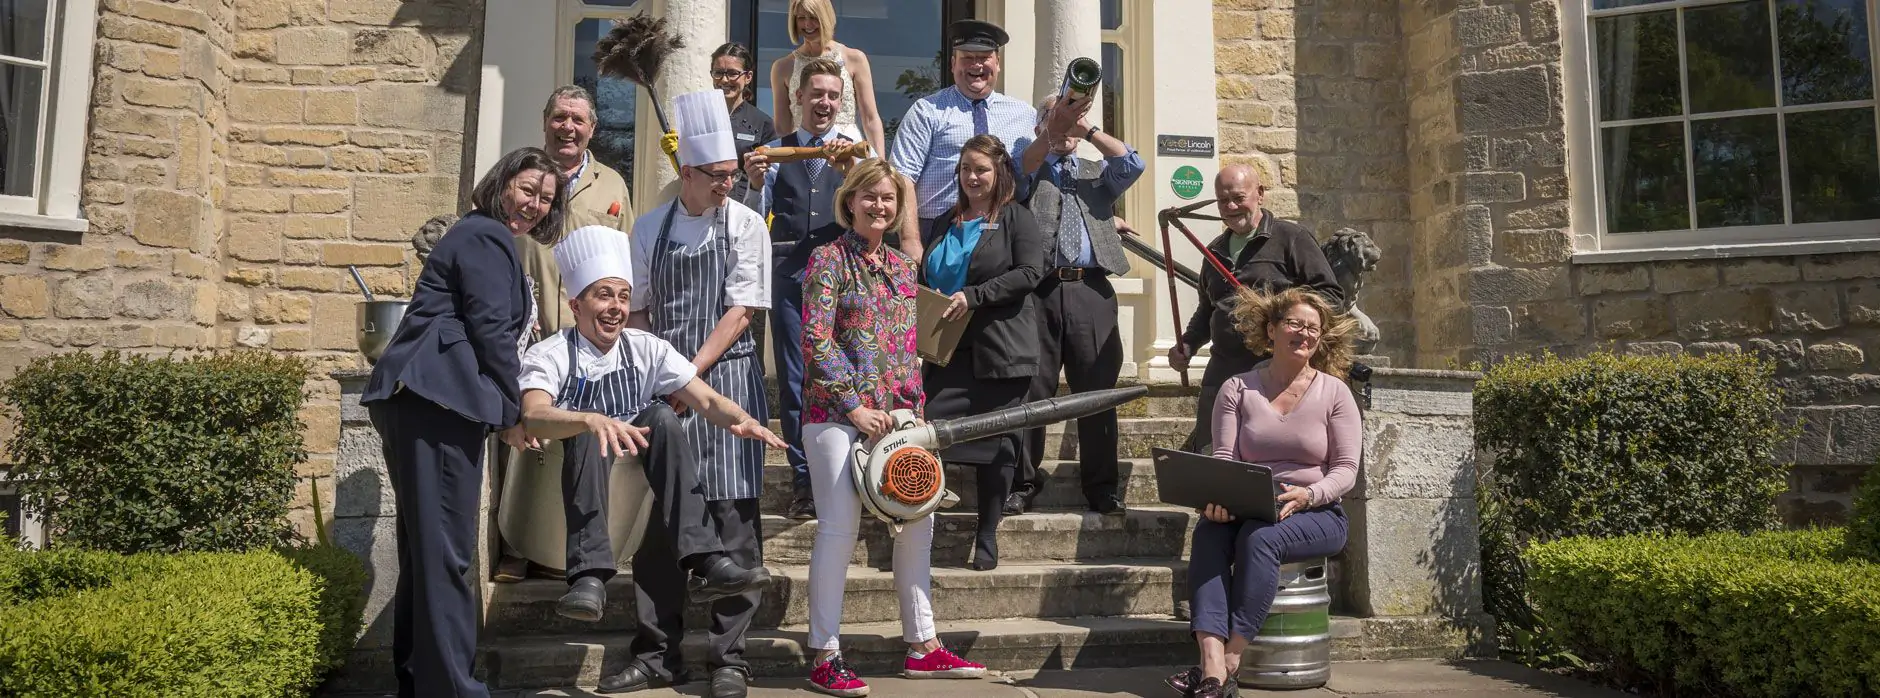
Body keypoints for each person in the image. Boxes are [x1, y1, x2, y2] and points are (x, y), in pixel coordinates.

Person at [517, 225, 781, 698]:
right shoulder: (550, 353)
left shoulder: (647, 349)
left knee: (662, 413)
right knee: (585, 428)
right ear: (576, 305)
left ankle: (706, 558)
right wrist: (589, 419)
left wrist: (741, 421)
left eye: (623, 296)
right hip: (558, 498)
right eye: (603, 296)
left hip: (632, 489)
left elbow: (704, 398)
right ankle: (589, 578)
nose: (617, 307)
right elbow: (535, 414)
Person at [360, 147, 565, 698]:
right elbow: (492, 332)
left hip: (424, 402)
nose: (536, 205)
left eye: (546, 198)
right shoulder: (485, 236)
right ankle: (452, 687)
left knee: (428, 549)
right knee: (447, 551)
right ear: (500, 184)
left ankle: (423, 680)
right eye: (527, 190)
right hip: (438, 401)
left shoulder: (487, 237)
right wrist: (516, 410)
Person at [800, 159, 987, 696]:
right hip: (836, 416)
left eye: (888, 199)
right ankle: (825, 653)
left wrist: (915, 417)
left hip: (903, 418)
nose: (879, 206)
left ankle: (923, 646)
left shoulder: (906, 271)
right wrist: (855, 406)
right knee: (839, 530)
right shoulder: (828, 261)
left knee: (919, 525)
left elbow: (910, 352)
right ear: (850, 201)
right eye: (870, 197)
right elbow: (816, 340)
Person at [621, 89, 773, 695]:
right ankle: (656, 656)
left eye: (733, 173)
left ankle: (729, 659)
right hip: (662, 389)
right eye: (717, 176)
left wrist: (691, 376)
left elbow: (741, 313)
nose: (728, 185)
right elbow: (636, 310)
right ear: (686, 172)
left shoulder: (744, 225)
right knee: (661, 528)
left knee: (733, 523)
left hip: (729, 379)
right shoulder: (650, 226)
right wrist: (663, 379)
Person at [1165, 286, 1360, 698]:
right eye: (1294, 324)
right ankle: (1213, 664)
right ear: (1270, 331)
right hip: (1251, 504)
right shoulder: (1237, 389)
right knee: (1209, 533)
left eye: (1312, 328)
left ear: (1320, 338)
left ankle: (1229, 660)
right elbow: (1224, 458)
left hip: (1317, 512)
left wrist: (1309, 495)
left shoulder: (1335, 393)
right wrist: (1218, 500)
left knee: (1260, 539)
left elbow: (1346, 470)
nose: (1303, 334)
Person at [497, 85, 641, 584]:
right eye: (560, 117)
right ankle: (514, 546)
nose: (568, 128)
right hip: (532, 332)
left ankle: (559, 547)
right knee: (520, 434)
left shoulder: (613, 186)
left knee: (576, 439)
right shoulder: (524, 179)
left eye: (578, 120)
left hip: (589, 338)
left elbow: (623, 264)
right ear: (545, 122)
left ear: (592, 130)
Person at [740, 56, 868, 521]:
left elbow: (875, 208)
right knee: (796, 379)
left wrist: (858, 164)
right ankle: (804, 480)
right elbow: (754, 219)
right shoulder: (776, 151)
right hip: (790, 274)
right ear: (798, 98)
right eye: (817, 94)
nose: (825, 103)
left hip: (844, 277)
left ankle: (851, 470)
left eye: (833, 95)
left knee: (849, 371)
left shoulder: (855, 152)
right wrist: (754, 185)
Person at [1013, 93, 1144, 518]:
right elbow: (1020, 170)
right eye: (1053, 117)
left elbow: (1133, 164)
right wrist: (1054, 128)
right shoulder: (1028, 166)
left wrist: (1085, 128)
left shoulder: (1097, 171)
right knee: (1032, 389)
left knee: (1098, 394)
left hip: (1091, 289)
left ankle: (1103, 488)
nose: (1064, 125)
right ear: (1039, 126)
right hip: (1039, 291)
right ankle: (1023, 482)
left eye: (1071, 117)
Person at [918, 134, 1043, 571]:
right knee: (929, 435)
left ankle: (986, 536)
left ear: (999, 173)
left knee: (997, 445)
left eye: (982, 170)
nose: (973, 177)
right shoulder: (944, 221)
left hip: (999, 350)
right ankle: (922, 531)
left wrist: (974, 295)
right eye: (966, 169)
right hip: (945, 350)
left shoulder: (1016, 217)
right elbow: (928, 272)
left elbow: (1030, 273)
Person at [1170, 164, 1344, 455]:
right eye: (1223, 201)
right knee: (1212, 450)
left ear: (1260, 194)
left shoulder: (1291, 238)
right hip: (1223, 369)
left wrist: (1285, 317)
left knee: (1265, 452)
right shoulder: (1213, 251)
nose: (1231, 206)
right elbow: (1206, 309)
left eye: (1239, 197)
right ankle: (1215, 500)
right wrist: (1187, 344)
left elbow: (1330, 295)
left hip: (1273, 369)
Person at [887, 19, 1037, 261]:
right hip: (938, 230)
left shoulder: (1025, 115)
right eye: (967, 57)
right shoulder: (927, 111)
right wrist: (911, 240)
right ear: (952, 64)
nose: (976, 64)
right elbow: (902, 177)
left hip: (1002, 234)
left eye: (985, 57)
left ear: (997, 64)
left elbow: (1041, 175)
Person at [711, 41, 779, 379]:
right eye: (719, 73)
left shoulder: (762, 123)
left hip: (742, 217)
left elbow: (765, 182)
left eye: (732, 73)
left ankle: (744, 376)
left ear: (748, 77)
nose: (725, 80)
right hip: (703, 215)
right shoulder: (700, 113)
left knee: (742, 302)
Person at [768, 0, 886, 155]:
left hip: (848, 150)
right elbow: (782, 128)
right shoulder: (782, 67)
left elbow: (870, 118)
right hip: (803, 151)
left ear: (826, 18)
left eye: (813, 17)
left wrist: (880, 164)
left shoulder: (854, 58)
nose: (807, 24)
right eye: (801, 18)